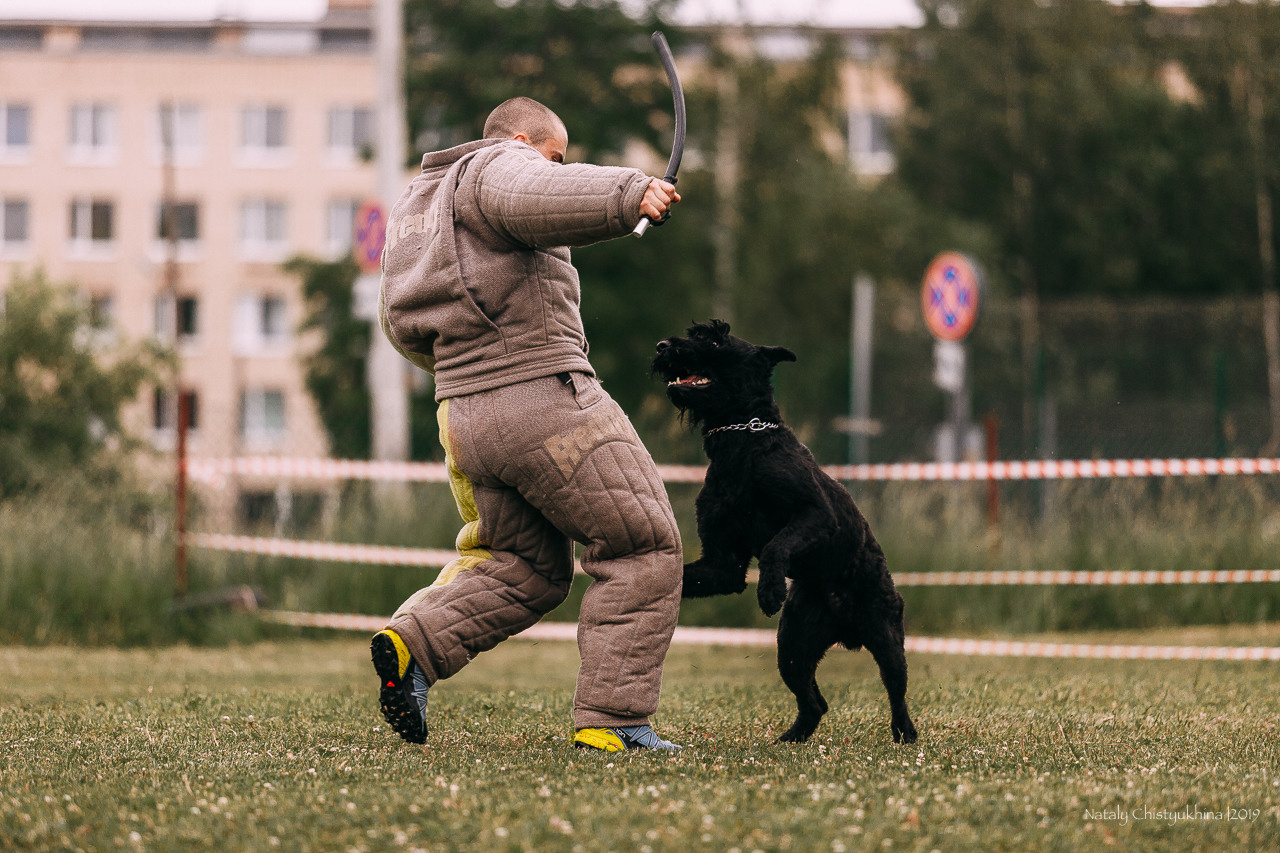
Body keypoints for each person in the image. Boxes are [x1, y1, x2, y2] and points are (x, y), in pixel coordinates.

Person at [371, 97, 684, 752]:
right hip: (542, 398)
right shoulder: (497, 166)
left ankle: (415, 644)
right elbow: (537, 192)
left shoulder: (417, 210)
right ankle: (614, 718)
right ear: (520, 140)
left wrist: (463, 370)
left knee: (525, 565)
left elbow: (400, 326)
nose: (554, 167)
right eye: (555, 155)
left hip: (464, 416)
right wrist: (630, 193)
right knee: (642, 542)